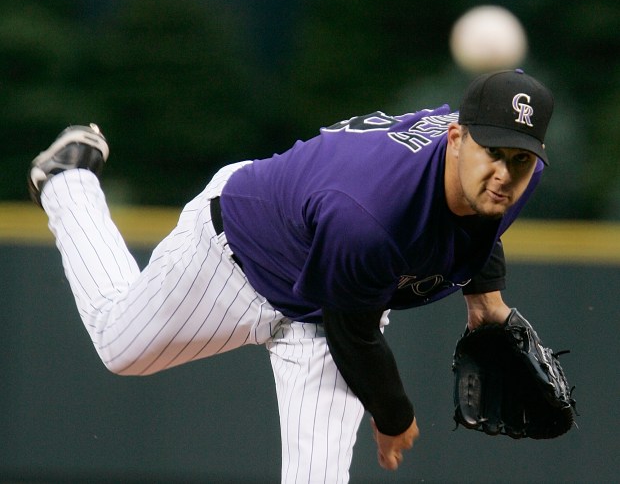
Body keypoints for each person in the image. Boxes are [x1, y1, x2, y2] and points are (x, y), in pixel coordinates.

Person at [28, 68, 554, 483]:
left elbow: (481, 223)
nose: (505, 174)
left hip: (322, 304)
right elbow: (355, 335)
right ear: (456, 137)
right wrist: (394, 416)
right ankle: (66, 179)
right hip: (237, 254)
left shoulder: (508, 174)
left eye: (520, 159)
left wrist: (486, 301)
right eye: (493, 154)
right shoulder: (368, 216)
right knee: (120, 346)